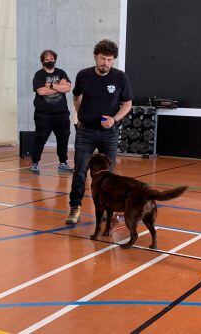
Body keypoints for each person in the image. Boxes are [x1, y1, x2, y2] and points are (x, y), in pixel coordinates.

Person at [65, 39, 133, 224]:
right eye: (103, 58)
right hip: (85, 132)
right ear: (96, 56)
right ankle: (75, 207)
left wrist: (114, 119)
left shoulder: (120, 77)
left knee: (107, 174)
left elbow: (127, 104)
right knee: (80, 170)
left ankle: (106, 210)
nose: (106, 63)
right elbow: (76, 96)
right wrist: (79, 116)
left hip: (109, 134)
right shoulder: (84, 75)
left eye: (110, 60)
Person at [30, 49, 74, 173]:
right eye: (47, 59)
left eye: (51, 59)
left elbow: (68, 88)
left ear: (55, 59)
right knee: (40, 138)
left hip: (61, 114)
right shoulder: (39, 74)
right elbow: (40, 91)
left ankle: (63, 163)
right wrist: (59, 87)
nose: (50, 61)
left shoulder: (61, 73)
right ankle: (35, 163)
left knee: (63, 138)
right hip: (43, 115)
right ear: (43, 61)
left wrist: (50, 85)